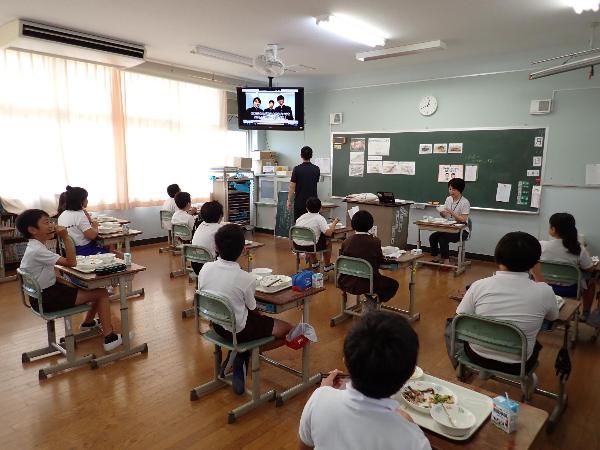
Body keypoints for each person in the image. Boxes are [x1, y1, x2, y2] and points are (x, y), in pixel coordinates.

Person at [299, 312, 430, 450]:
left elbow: (304, 447)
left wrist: (323, 391)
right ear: (409, 375)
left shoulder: (319, 399)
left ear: (346, 361)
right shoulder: (414, 441)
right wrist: (406, 422)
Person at [198, 224, 293, 394]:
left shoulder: (205, 268)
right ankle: (244, 354)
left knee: (251, 318)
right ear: (243, 250)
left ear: (216, 247)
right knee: (287, 329)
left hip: (216, 325)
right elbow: (254, 309)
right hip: (239, 331)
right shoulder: (245, 278)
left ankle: (238, 356)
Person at [16, 209, 123, 351]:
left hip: (41, 296)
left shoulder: (34, 247)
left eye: (51, 221)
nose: (52, 225)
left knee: (91, 289)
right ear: (32, 230)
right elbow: (71, 262)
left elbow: (54, 274)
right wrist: (65, 237)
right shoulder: (38, 250)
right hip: (48, 299)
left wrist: (73, 286)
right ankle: (109, 338)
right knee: (102, 293)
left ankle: (88, 323)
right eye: (47, 222)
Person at [456, 231, 559, 378]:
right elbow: (554, 316)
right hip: (518, 364)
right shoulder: (544, 291)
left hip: (476, 355)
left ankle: (466, 371)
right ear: (535, 262)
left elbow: (461, 316)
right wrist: (538, 275)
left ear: (497, 257)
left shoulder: (479, 285)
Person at [537, 213, 596, 321]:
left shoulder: (541, 246)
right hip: (570, 290)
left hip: (543, 286)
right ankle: (585, 314)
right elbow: (590, 268)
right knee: (591, 282)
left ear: (553, 229)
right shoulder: (578, 249)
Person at [338, 210, 399, 302]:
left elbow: (343, 261)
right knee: (393, 284)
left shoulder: (346, 242)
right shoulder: (375, 241)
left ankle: (371, 300)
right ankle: (374, 302)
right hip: (367, 283)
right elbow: (379, 262)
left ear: (353, 224)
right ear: (370, 225)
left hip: (346, 281)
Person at [57, 186, 109, 256]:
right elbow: (92, 236)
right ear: (80, 201)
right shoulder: (79, 215)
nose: (87, 200)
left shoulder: (63, 214)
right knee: (113, 254)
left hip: (68, 251)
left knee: (106, 248)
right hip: (83, 251)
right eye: (86, 198)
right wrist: (95, 226)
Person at [429, 178, 470, 266]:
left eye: (454, 189)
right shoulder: (448, 199)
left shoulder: (465, 202)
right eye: (450, 189)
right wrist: (441, 212)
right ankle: (436, 257)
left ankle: (446, 261)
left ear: (460, 190)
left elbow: (463, 219)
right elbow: (445, 216)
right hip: (448, 227)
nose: (451, 191)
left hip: (462, 230)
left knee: (443, 238)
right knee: (433, 237)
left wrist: (451, 212)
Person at [293, 197, 338, 272]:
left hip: (297, 246)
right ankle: (327, 265)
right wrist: (334, 223)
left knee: (313, 238)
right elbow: (329, 233)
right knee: (327, 241)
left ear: (306, 208)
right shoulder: (319, 218)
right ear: (321, 208)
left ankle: (315, 263)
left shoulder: (301, 217)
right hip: (311, 247)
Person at [287, 146, 320, 222]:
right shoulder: (316, 169)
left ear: (301, 156)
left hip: (300, 202)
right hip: (313, 203)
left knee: (299, 224)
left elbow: (292, 187)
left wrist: (289, 200)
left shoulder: (297, 169)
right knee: (313, 224)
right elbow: (315, 182)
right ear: (311, 156)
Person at [190, 201, 224, 274]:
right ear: (220, 216)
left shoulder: (201, 225)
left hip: (195, 264)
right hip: (209, 267)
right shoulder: (219, 229)